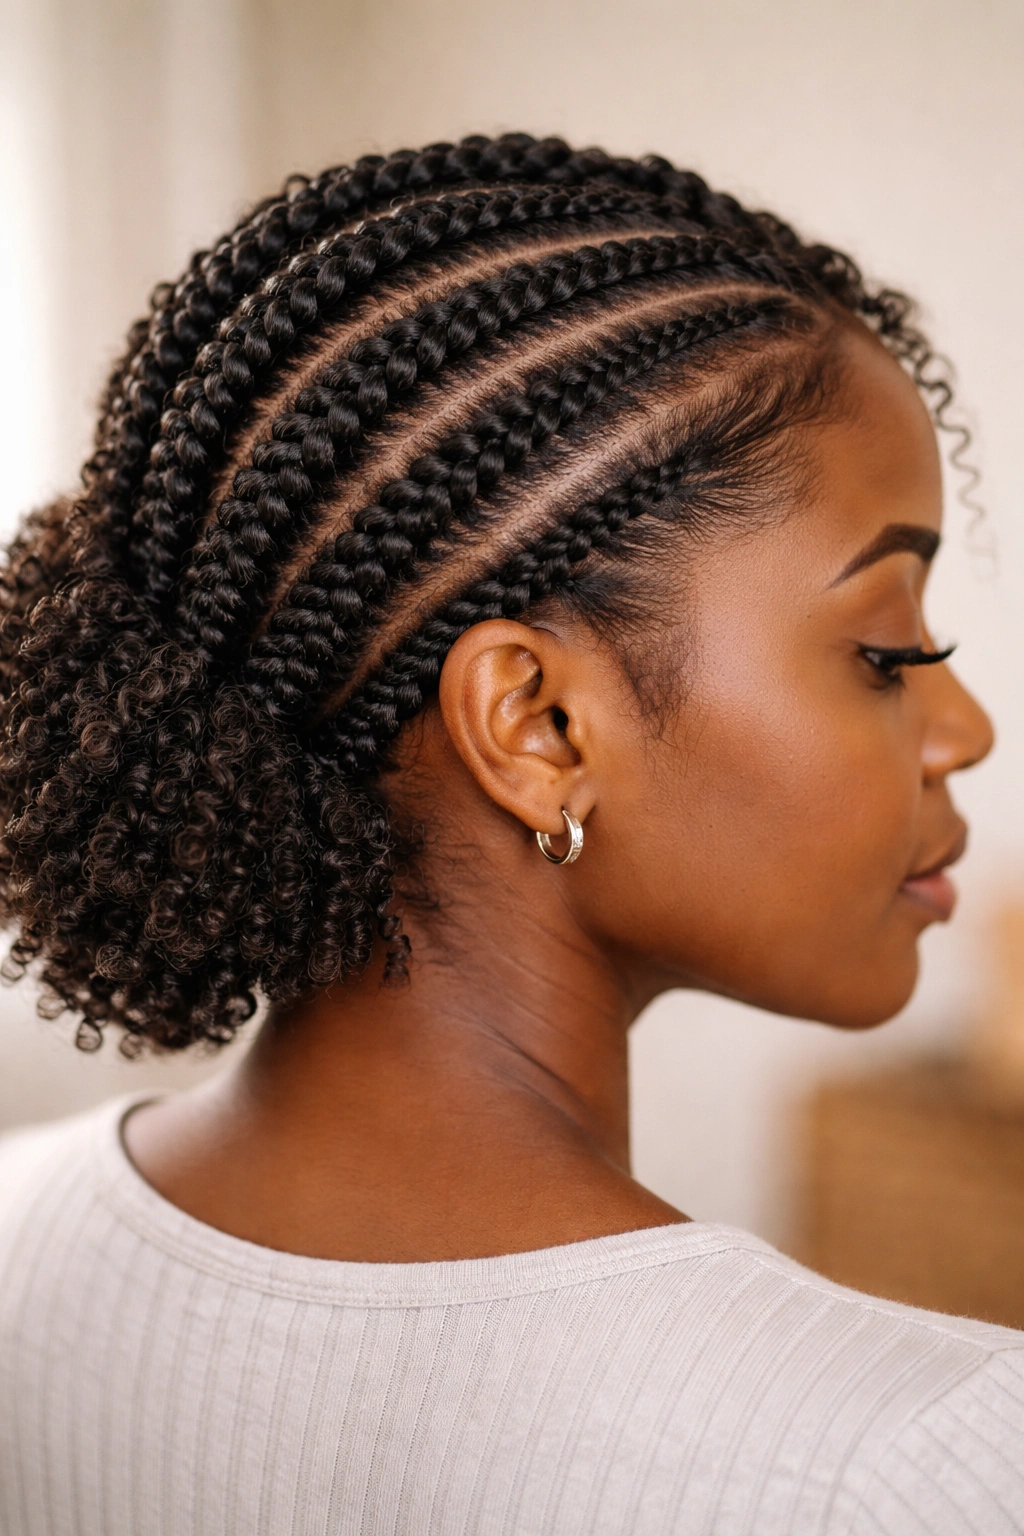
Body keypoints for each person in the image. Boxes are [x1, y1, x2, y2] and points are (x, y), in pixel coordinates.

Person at [0, 133, 1019, 1535]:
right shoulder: (910, 1464)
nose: (965, 729)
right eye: (892, 649)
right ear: (538, 728)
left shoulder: (11, 1238)